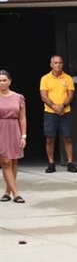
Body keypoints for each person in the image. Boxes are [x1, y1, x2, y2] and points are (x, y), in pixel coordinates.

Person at [39, 54, 77, 173]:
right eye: (55, 63)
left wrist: (62, 106)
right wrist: (55, 106)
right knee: (50, 138)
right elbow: (43, 96)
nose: (58, 65)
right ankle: (51, 163)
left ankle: (70, 163)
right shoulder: (45, 78)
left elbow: (71, 95)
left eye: (60, 63)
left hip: (65, 112)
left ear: (63, 64)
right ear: (51, 65)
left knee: (67, 137)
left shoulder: (68, 78)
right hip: (50, 112)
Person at [0, 70, 28, 204]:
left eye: (4, 80)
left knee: (13, 161)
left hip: (14, 129)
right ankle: (16, 193)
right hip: (1, 129)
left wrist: (23, 135)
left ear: (9, 81)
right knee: (5, 162)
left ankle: (7, 191)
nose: (2, 83)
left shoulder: (18, 97)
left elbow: (22, 118)